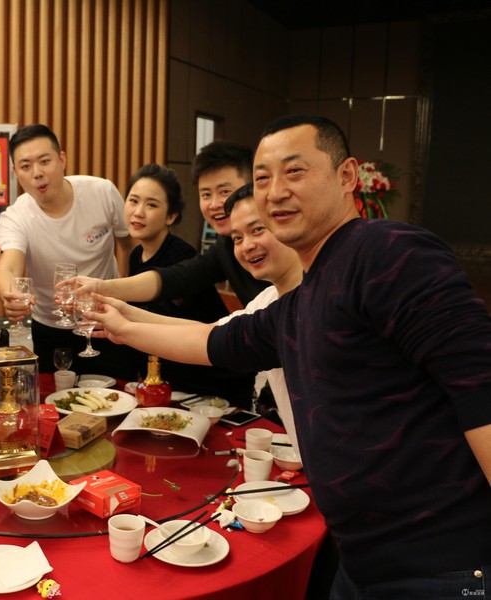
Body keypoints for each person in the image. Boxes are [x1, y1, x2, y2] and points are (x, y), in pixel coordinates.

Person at [90, 115, 491, 598]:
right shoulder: (297, 303)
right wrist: (121, 326)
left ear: (347, 176)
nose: (275, 191)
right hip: (362, 564)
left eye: (294, 171)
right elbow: (212, 341)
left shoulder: (386, 253)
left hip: (441, 567)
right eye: (263, 178)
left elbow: (479, 390)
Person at [0, 124, 134, 373]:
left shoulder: (102, 192)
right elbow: (9, 266)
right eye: (25, 166)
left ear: (62, 160)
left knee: (114, 390)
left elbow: (128, 243)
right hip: (50, 326)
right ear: (15, 172)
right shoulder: (16, 215)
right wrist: (11, 295)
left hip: (104, 319)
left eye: (44, 161)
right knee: (54, 394)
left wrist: (123, 292)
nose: (37, 173)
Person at [76, 140, 269, 309]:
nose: (214, 204)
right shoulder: (224, 247)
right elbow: (176, 278)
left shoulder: (279, 237)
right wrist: (102, 288)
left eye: (225, 192)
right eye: (206, 194)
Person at [122, 163, 254, 404]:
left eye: (151, 205)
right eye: (133, 201)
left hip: (212, 381)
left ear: (171, 216)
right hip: (172, 379)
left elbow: (163, 324)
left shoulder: (182, 256)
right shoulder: (136, 256)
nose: (138, 212)